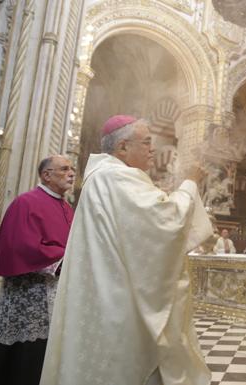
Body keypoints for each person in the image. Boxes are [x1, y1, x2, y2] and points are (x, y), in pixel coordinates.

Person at [40, 115, 214, 385]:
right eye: (146, 143)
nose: (152, 149)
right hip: (119, 300)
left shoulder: (104, 176)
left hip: (106, 289)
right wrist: (190, 182)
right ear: (122, 147)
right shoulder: (116, 177)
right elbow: (166, 222)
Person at [0, 155, 74, 385]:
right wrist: (64, 258)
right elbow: (18, 245)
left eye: (72, 169)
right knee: (25, 359)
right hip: (30, 295)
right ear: (46, 175)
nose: (71, 173)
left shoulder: (67, 208)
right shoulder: (26, 202)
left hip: (56, 295)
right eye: (64, 169)